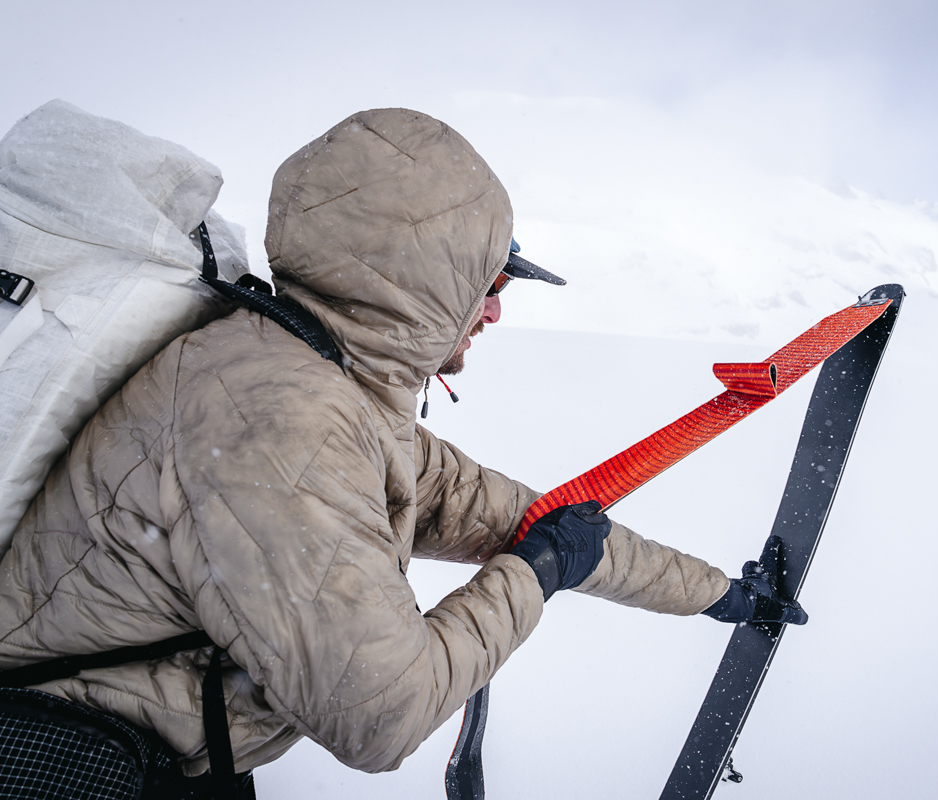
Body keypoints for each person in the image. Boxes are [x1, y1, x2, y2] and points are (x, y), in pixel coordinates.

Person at [0, 108, 804, 794]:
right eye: (488, 286)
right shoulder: (281, 427)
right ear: (414, 285)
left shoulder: (315, 380)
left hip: (153, 747)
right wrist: (534, 576)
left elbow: (522, 516)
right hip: (72, 764)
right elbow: (381, 714)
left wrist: (717, 595)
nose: (493, 314)